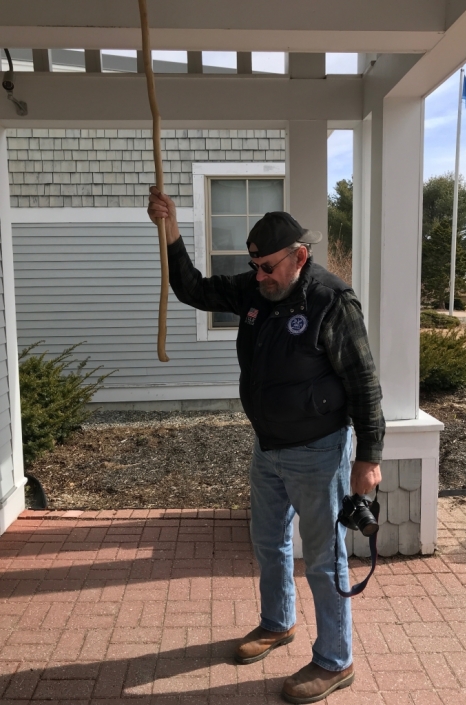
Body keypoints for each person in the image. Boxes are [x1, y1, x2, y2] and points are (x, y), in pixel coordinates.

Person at [148, 187, 384, 704]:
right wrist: (169, 228)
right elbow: (191, 288)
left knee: (324, 560)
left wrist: (368, 458)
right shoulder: (257, 292)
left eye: (268, 266)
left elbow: (364, 381)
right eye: (254, 266)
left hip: (320, 452)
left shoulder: (330, 300)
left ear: (299, 256)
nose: (259, 276)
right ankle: (278, 623)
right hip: (267, 448)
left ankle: (335, 660)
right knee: (269, 542)